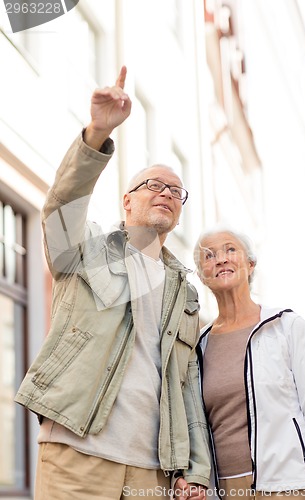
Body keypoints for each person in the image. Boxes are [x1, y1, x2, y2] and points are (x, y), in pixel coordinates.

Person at [14, 66, 210, 500]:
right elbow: (61, 205)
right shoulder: (85, 252)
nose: (166, 193)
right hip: (77, 456)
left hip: (153, 472)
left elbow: (186, 382)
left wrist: (194, 468)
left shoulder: (187, 294)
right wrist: (96, 135)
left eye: (176, 191)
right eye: (153, 185)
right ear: (127, 200)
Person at [194, 225, 305, 500]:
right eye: (209, 256)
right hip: (223, 492)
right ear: (202, 275)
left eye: (230, 250)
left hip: (288, 487)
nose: (221, 259)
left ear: (250, 263)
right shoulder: (198, 345)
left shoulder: (285, 326)